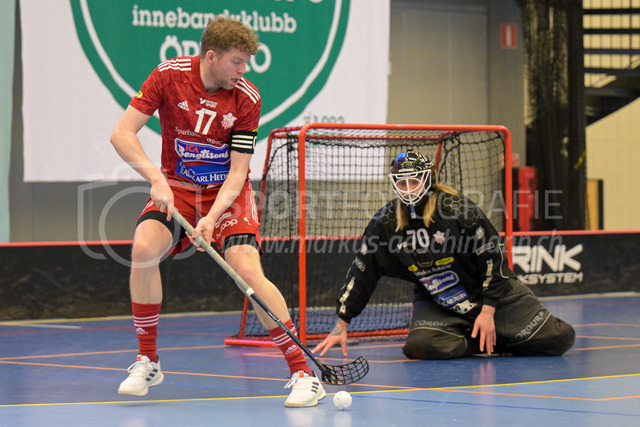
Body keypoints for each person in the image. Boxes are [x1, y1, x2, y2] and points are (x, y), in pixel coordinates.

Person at [110, 17, 325, 407]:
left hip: (228, 195)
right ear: (211, 57)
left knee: (248, 272)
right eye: (236, 62)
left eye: (246, 62)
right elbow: (121, 134)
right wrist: (156, 179)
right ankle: (148, 360)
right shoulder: (168, 75)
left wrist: (211, 218)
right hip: (177, 188)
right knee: (143, 249)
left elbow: (239, 171)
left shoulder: (246, 97)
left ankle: (303, 373)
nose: (243, 70)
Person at [313, 151, 575, 360]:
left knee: (558, 338)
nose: (408, 189)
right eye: (402, 183)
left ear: (428, 180)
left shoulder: (457, 209)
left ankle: (495, 333)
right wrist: (341, 324)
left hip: (491, 295)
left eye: (414, 181)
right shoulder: (385, 224)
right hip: (439, 301)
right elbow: (362, 271)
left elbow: (493, 256)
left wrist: (487, 312)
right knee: (420, 346)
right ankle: (481, 343)